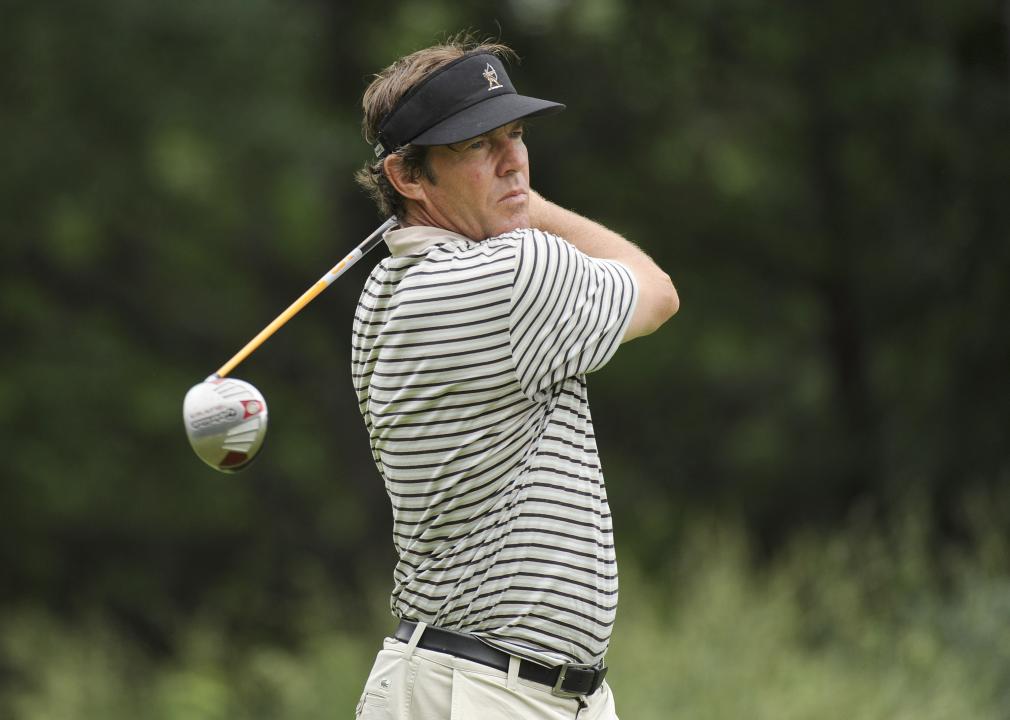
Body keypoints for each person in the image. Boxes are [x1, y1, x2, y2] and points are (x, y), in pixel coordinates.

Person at [351, 35, 678, 720]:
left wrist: (507, 197)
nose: (513, 161)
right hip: (480, 691)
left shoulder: (381, 294)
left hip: (508, 687)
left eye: (516, 134)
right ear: (409, 177)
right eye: (476, 145)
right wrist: (528, 206)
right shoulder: (514, 274)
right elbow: (658, 292)